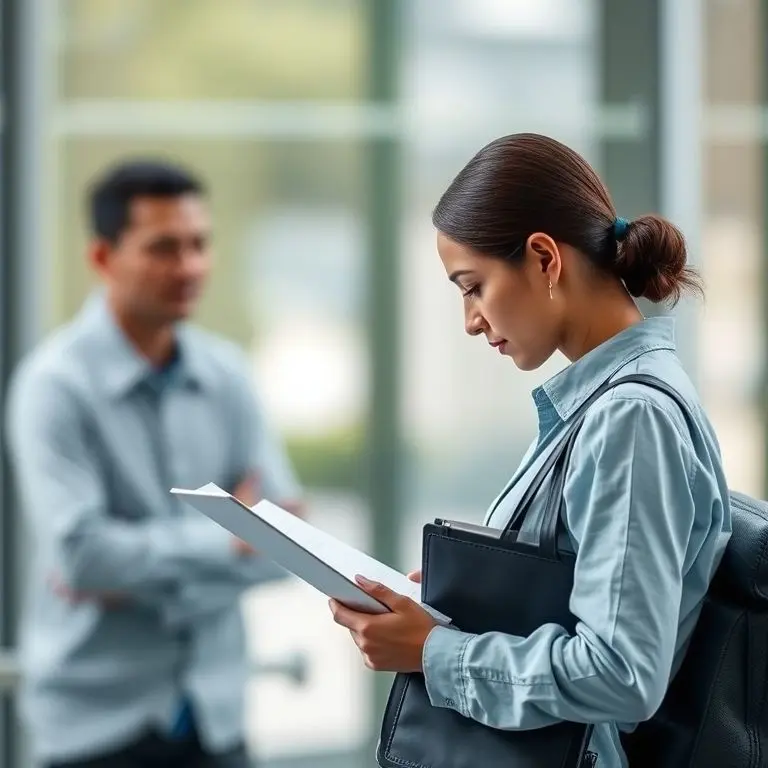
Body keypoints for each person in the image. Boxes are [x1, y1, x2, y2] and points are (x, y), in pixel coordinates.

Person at [329, 133, 731, 767]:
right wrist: (457, 600)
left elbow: (621, 674)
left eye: (473, 286)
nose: (470, 319)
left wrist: (433, 651)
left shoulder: (630, 418)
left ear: (544, 258)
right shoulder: (603, 407)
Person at [6, 159, 303, 768]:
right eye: (163, 248)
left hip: (217, 722)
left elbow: (289, 548)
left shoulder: (227, 377)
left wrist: (134, 571)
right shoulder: (53, 387)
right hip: (95, 731)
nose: (190, 267)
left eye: (199, 244)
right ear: (102, 258)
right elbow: (83, 557)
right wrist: (229, 540)